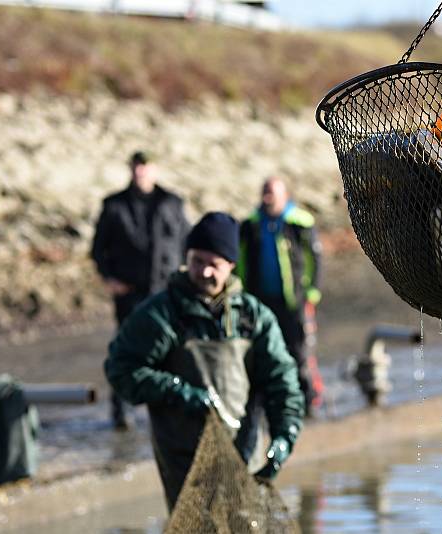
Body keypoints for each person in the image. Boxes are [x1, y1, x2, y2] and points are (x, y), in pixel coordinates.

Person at [105, 212, 304, 511]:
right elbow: (121, 369)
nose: (205, 271)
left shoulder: (253, 318)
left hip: (243, 454)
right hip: (184, 460)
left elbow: (282, 381)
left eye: (214, 264)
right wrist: (178, 391)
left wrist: (283, 437)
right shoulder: (162, 314)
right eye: (197, 261)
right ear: (186, 257)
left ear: (231, 266)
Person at [91, 151, 190, 429]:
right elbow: (98, 249)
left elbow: (187, 244)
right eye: (136, 167)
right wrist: (109, 278)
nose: (140, 172)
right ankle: (121, 413)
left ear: (154, 169)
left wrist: (186, 282)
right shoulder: (114, 206)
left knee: (172, 350)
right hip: (130, 294)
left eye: (145, 167)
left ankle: (170, 407)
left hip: (165, 292)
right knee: (126, 352)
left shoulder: (172, 203)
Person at [238, 177, 323, 415]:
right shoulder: (251, 225)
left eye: (272, 192)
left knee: (300, 351)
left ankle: (308, 401)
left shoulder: (299, 222)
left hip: (294, 299)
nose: (268, 196)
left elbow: (315, 257)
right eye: (265, 191)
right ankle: (272, 403)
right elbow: (240, 261)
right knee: (265, 351)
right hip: (262, 300)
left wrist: (313, 291)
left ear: (285, 195)